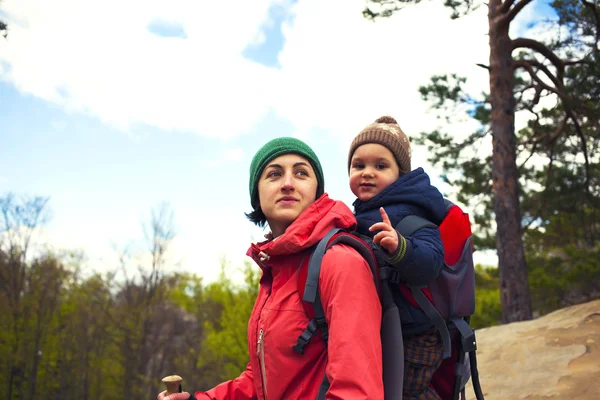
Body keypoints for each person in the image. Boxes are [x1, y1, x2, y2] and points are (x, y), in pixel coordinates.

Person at [159, 137, 383, 400]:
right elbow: (262, 378)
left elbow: (356, 392)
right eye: (274, 174)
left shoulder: (339, 262)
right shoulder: (276, 271)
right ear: (257, 195)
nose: (288, 183)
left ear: (316, 193)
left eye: (301, 173)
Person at [347, 116, 446, 400]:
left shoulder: (410, 212)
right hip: (385, 327)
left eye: (380, 166)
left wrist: (400, 247)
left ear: (400, 174)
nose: (367, 172)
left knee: (405, 393)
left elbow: (431, 261)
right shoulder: (363, 213)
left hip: (416, 332)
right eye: (359, 165)